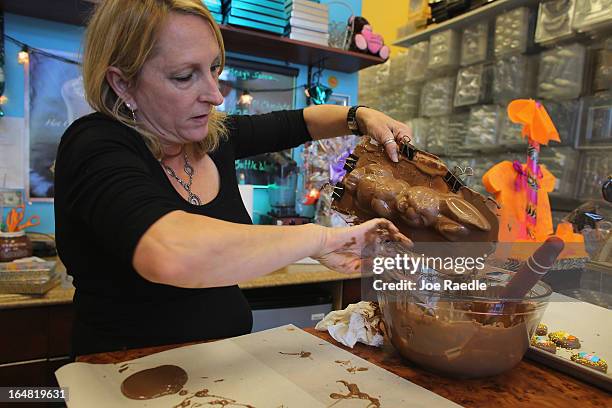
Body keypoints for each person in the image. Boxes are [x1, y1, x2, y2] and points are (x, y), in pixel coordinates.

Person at [54, 0, 412, 357]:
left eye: (214, 69)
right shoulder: (95, 145)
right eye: (184, 76)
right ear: (123, 84)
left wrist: (360, 116)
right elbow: (169, 251)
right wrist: (317, 239)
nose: (214, 95)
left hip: (222, 366)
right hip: (126, 377)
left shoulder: (211, 138)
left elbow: (298, 122)